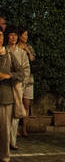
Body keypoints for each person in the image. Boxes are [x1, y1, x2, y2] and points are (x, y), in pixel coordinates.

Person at [0, 29, 23, 162]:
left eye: (1, 35)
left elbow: (21, 73)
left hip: (5, 98)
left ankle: (4, 156)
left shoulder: (8, 54)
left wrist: (9, 75)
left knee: (4, 131)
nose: (0, 38)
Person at [4, 26, 28, 151]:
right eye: (11, 35)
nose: (13, 37)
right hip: (5, 87)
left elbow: (26, 71)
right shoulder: (3, 51)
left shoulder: (22, 53)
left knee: (15, 116)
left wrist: (21, 84)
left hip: (17, 87)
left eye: (15, 35)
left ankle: (12, 141)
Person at [16, 28, 33, 138]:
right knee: (17, 103)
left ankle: (24, 128)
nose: (26, 37)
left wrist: (27, 51)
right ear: (20, 36)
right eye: (25, 35)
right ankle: (15, 128)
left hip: (29, 78)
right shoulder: (14, 47)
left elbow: (32, 59)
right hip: (18, 78)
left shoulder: (29, 47)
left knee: (26, 104)